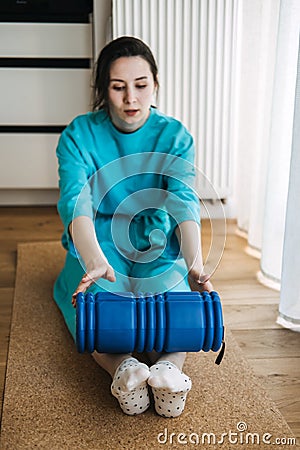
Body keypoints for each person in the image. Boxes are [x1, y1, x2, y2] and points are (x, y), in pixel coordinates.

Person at [53, 36, 212, 418]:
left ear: (155, 84)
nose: (131, 99)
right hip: (98, 236)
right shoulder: (78, 135)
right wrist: (93, 260)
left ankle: (169, 374)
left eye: (141, 86)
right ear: (103, 89)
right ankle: (124, 371)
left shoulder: (175, 135)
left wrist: (194, 263)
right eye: (118, 87)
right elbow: (77, 201)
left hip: (155, 235)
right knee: (99, 308)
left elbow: (182, 199)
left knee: (174, 304)